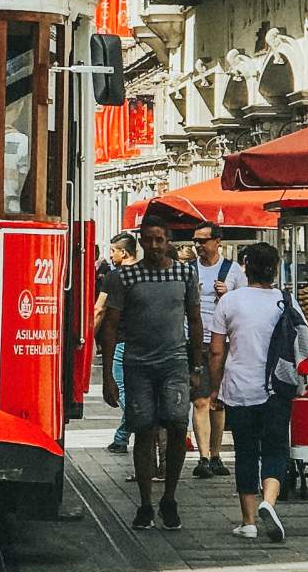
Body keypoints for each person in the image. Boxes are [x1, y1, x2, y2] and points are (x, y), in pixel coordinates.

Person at [101, 215, 202, 531]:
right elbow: (111, 326)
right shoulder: (125, 278)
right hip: (138, 364)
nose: (155, 245)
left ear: (169, 240)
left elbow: (195, 321)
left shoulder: (185, 273)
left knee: (176, 426)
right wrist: (107, 376)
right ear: (141, 242)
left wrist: (196, 367)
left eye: (160, 239)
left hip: (174, 364)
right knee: (142, 430)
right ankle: (145, 503)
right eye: (150, 240)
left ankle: (169, 497)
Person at [209, 242, 301, 542]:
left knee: (246, 451)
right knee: (276, 448)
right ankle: (269, 502)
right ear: (275, 269)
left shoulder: (229, 302)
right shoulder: (286, 301)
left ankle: (248, 522)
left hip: (239, 388)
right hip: (277, 388)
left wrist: (214, 389)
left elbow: (216, 351)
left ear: (245, 266)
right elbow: (302, 341)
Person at [191, 221, 246, 479]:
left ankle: (215, 454)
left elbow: (245, 305)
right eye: (196, 241)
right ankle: (202, 457)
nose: (199, 246)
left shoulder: (232, 270)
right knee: (200, 399)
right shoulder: (188, 270)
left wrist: (230, 294)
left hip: (222, 342)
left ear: (217, 241)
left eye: (203, 241)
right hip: (193, 341)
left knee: (218, 402)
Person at [94, 232, 138, 454]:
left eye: (113, 251)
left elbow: (100, 309)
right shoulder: (145, 274)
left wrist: (89, 335)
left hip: (121, 344)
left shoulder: (114, 277)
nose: (110, 256)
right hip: (142, 342)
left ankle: (123, 437)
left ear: (123, 252)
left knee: (124, 394)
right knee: (135, 394)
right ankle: (122, 438)